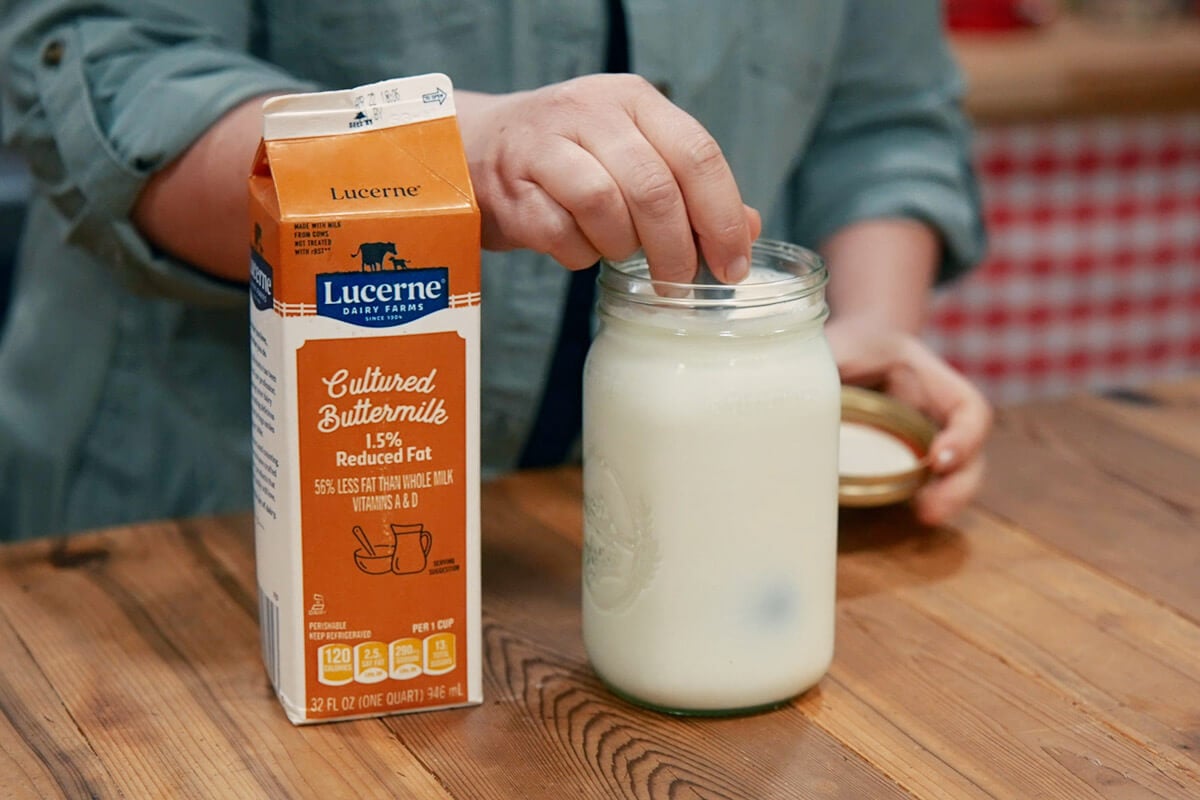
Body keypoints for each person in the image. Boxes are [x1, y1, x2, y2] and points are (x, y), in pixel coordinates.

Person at [0, 0, 990, 540]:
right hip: (199, 519)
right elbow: (108, 74)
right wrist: (437, 155)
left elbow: (884, 116)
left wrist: (866, 326)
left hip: (646, 526)